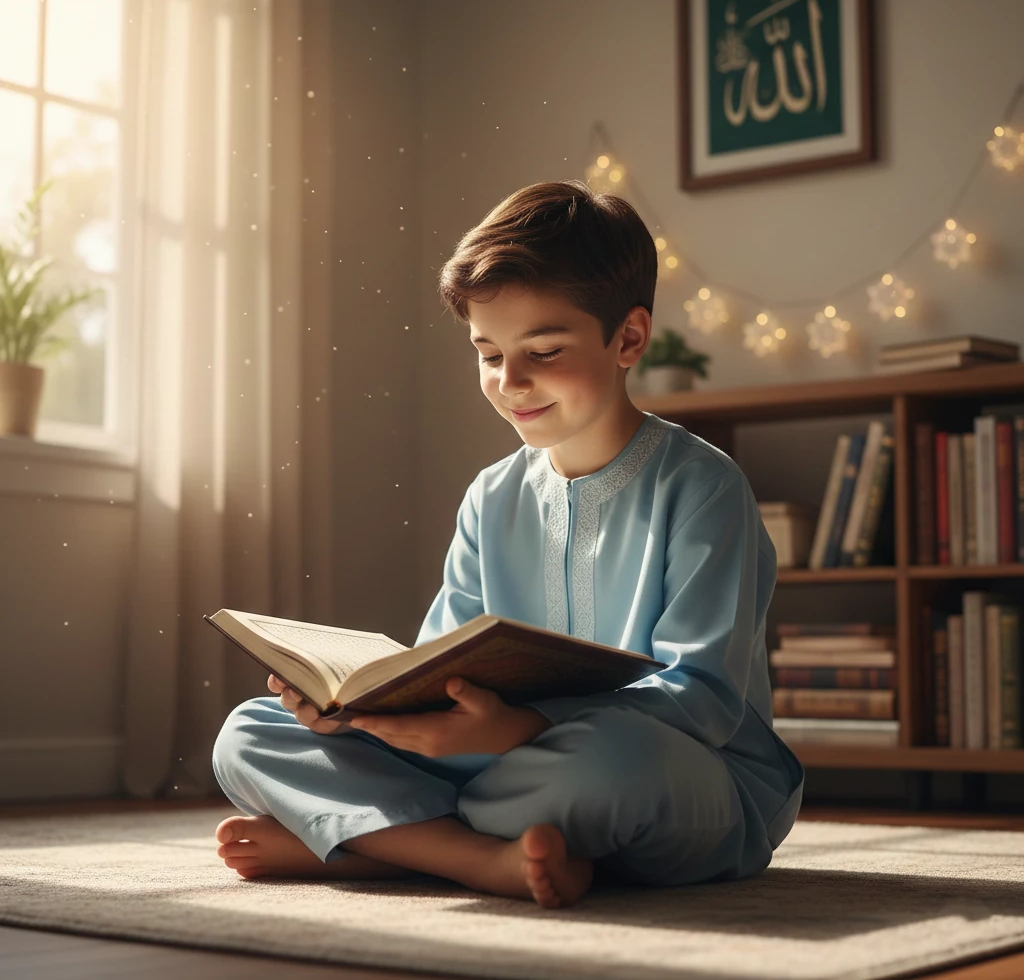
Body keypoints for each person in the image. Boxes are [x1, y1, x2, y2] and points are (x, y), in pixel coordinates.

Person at [211, 179, 805, 909]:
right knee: (249, 733)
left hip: (681, 773)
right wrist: (358, 712)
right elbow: (440, 664)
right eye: (488, 354)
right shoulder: (491, 495)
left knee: (610, 765)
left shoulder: (704, 488)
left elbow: (702, 700)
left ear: (628, 338)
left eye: (543, 351)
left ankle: (382, 843)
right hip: (489, 766)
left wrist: (521, 729)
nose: (511, 381)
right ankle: (485, 858)